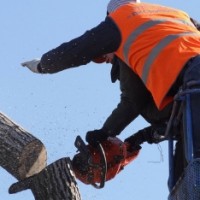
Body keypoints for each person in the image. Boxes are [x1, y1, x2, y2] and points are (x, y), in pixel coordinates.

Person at [22, 0, 200, 186]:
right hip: (190, 93)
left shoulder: (120, 22)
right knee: (183, 177)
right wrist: (138, 138)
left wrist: (43, 65)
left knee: (188, 181)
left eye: (103, 55)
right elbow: (171, 119)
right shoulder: (176, 16)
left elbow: (77, 50)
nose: (106, 60)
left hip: (194, 83)